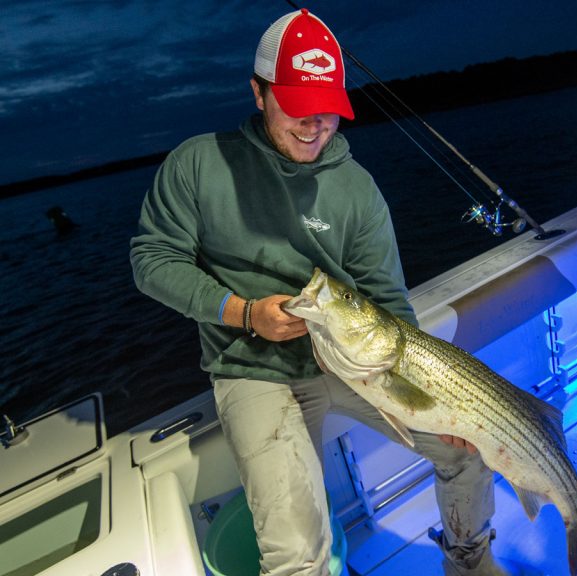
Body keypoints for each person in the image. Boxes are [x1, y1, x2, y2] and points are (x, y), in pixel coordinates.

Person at [130, 8, 535, 576]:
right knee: (297, 549)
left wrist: (441, 403)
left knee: (465, 451)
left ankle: (469, 560)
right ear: (258, 92)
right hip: (250, 366)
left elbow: (389, 305)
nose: (315, 125)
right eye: (298, 107)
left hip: (349, 362)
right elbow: (151, 259)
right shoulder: (199, 164)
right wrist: (243, 312)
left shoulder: (357, 191)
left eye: (330, 111)